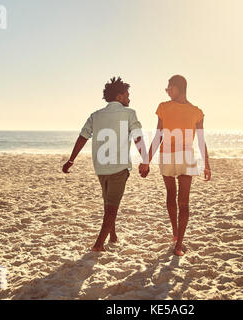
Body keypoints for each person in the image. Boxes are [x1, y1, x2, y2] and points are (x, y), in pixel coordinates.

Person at [63, 77, 148, 252]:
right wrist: (145, 160)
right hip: (119, 167)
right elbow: (138, 136)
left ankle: (113, 235)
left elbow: (83, 137)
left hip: (101, 167)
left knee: (108, 202)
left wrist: (71, 160)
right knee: (112, 206)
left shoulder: (96, 115)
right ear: (119, 96)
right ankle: (98, 244)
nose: (129, 98)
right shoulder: (129, 113)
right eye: (127, 95)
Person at [139, 75, 211, 256]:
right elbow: (158, 136)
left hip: (186, 156)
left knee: (183, 202)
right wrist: (146, 160)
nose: (168, 91)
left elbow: (201, 140)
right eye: (167, 89)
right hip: (166, 155)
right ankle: (175, 233)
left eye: (170, 87)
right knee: (171, 196)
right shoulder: (163, 107)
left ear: (179, 88)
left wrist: (207, 164)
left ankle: (179, 244)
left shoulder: (197, 112)